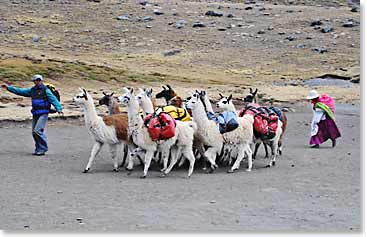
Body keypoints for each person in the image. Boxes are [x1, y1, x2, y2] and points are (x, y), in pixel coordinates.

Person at [1, 74, 63, 156]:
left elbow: (53, 99)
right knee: (34, 132)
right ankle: (38, 149)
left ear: (41, 81)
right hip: (35, 113)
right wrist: (9, 88)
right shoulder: (32, 90)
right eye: (36, 80)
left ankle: (43, 148)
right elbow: (20, 91)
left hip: (44, 113)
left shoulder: (46, 90)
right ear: (34, 81)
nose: (37, 81)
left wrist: (59, 108)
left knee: (37, 131)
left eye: (39, 80)